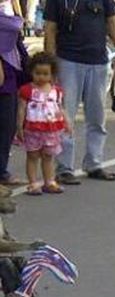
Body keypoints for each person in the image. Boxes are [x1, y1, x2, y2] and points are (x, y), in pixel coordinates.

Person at [44, 0, 115, 184]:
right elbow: (50, 28)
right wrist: (49, 63)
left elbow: (112, 20)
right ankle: (64, 168)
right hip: (68, 61)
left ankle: (94, 163)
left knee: (97, 117)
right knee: (66, 117)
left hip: (98, 61)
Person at [16, 52, 70, 195]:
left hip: (51, 130)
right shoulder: (26, 90)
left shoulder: (56, 91)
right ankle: (33, 183)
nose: (41, 77)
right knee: (33, 156)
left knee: (48, 156)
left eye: (45, 74)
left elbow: (61, 108)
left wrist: (67, 124)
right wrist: (19, 127)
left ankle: (49, 181)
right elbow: (21, 110)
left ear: (52, 75)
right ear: (31, 72)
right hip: (32, 129)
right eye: (37, 73)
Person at [0, 10, 26, 186]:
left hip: (10, 72)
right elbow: (14, 25)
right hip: (3, 71)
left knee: (7, 126)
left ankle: (2, 170)